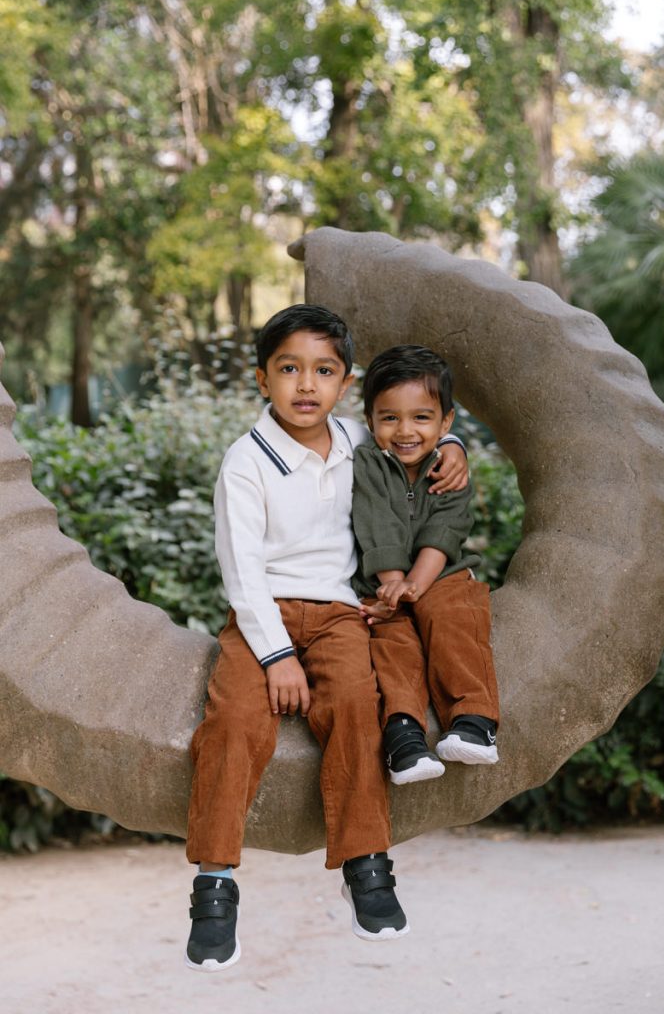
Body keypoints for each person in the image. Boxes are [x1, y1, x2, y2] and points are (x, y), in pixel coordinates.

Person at [184, 306, 468, 971]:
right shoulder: (245, 462)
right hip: (262, 614)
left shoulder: (357, 444)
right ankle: (214, 884)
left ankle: (366, 865)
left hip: (341, 612)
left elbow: (418, 437)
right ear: (262, 379)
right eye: (288, 369)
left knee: (353, 709)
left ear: (345, 383)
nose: (305, 385)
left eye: (323, 371)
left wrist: (452, 446)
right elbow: (241, 567)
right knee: (232, 721)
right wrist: (276, 654)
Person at [352, 344, 500, 788]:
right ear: (370, 419)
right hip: (382, 579)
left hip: (444, 574)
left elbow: (446, 530)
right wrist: (393, 586)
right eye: (389, 418)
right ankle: (404, 735)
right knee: (388, 639)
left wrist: (414, 585)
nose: (405, 431)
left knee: (452, 616)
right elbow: (377, 521)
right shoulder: (367, 462)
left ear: (446, 422)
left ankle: (475, 719)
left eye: (421, 417)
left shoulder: (449, 469)